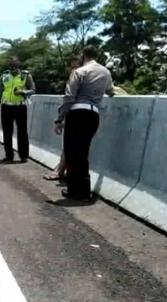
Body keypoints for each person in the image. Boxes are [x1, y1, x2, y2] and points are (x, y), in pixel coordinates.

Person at [54, 45, 115, 200]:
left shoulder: (79, 72)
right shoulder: (106, 72)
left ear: (83, 56)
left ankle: (74, 190)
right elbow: (111, 91)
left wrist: (59, 118)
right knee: (83, 154)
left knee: (72, 153)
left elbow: (69, 97)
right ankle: (84, 191)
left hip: (77, 114)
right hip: (93, 114)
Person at [0, 56, 36, 163]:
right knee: (7, 132)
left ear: (18, 64)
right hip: (6, 106)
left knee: (22, 132)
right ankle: (9, 155)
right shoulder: (4, 76)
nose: (13, 66)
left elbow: (33, 90)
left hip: (20, 106)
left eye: (15, 64)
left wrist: (23, 92)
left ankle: (23, 156)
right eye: (11, 64)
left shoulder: (25, 75)